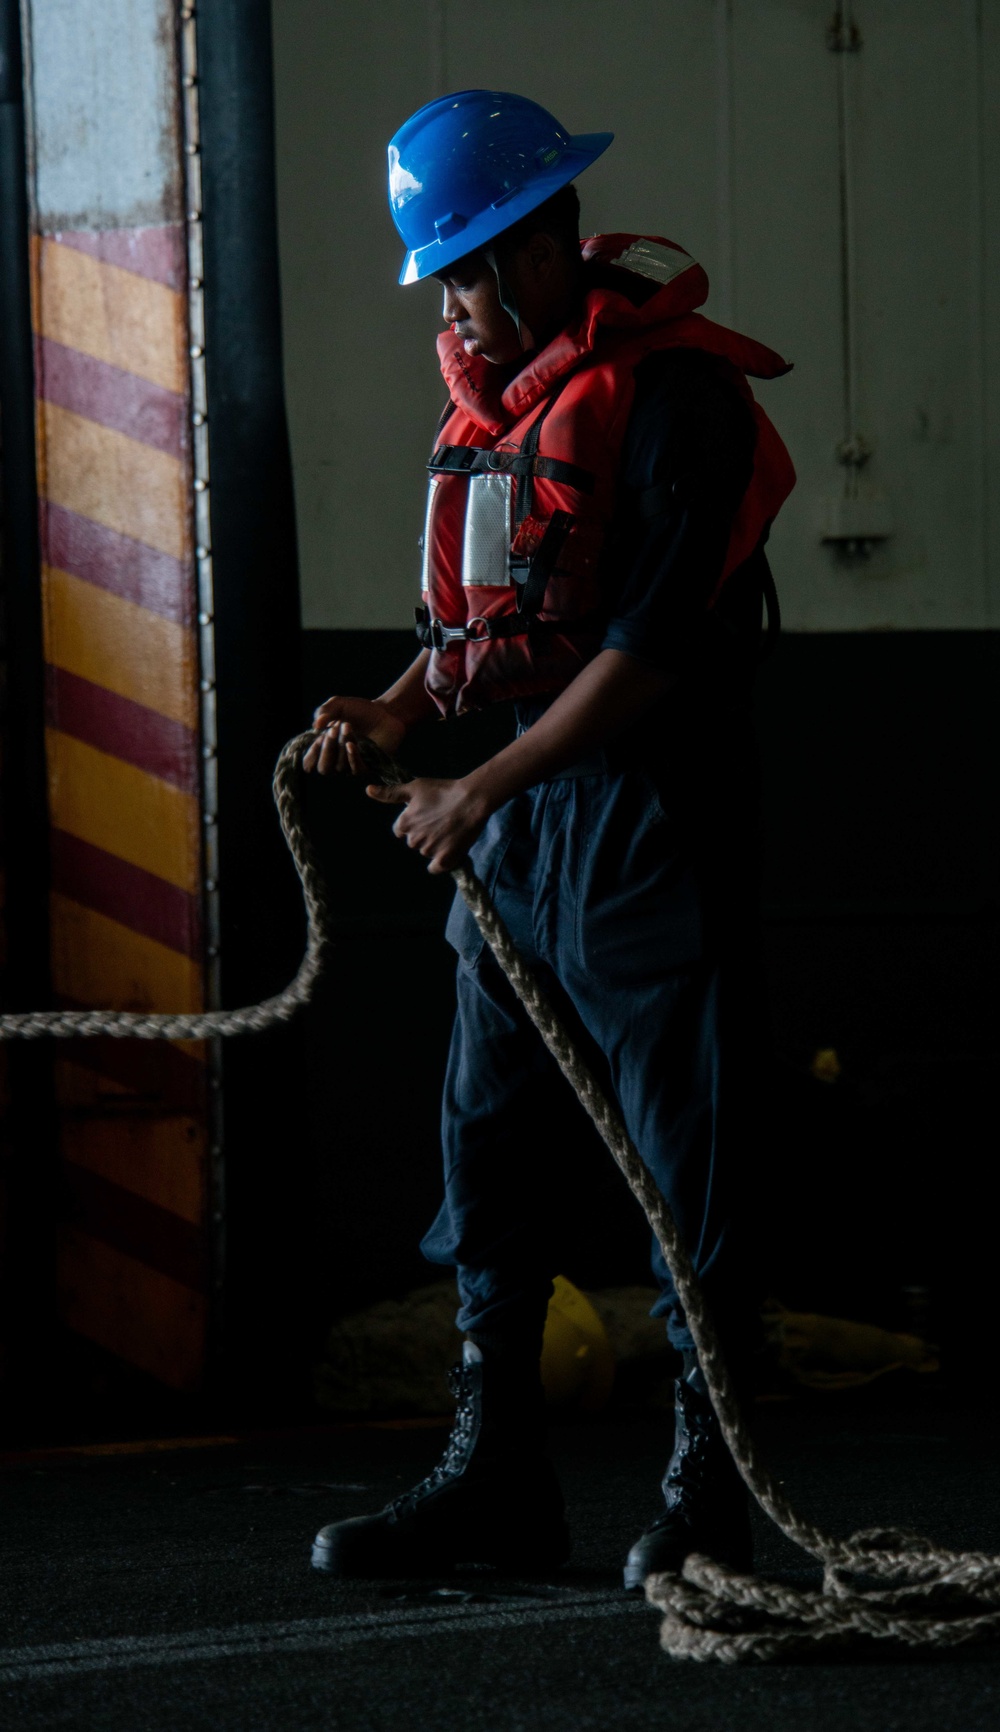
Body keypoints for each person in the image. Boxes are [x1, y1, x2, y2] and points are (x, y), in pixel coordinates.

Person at [305, 89, 795, 1589]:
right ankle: (497, 1474)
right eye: (444, 278)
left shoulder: (681, 404)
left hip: (646, 817)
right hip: (518, 822)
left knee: (685, 1164)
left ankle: (715, 1490)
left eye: (467, 270)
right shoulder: (493, 412)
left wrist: (482, 786)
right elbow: (477, 625)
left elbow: (649, 646)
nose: (455, 305)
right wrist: (397, 714)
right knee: (488, 1144)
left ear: (538, 247)